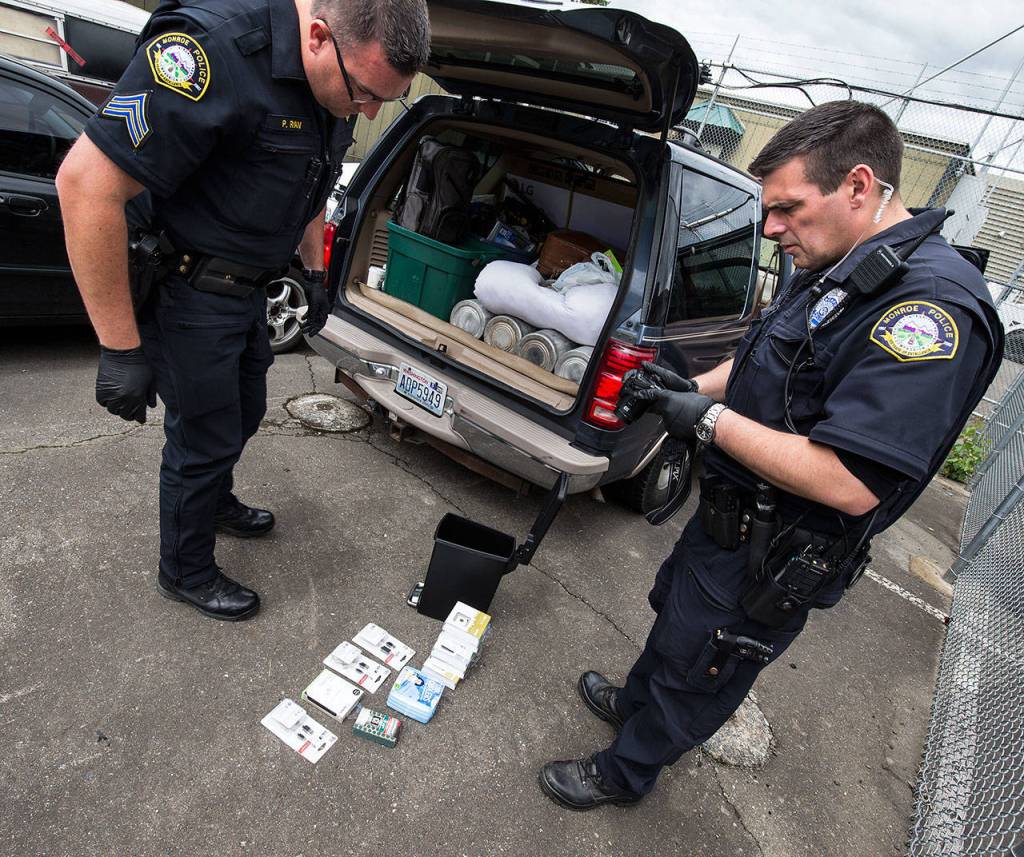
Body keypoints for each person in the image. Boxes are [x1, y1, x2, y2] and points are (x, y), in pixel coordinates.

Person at [539, 100, 1004, 809]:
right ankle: (631, 702)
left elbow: (849, 481)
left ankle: (625, 771)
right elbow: (768, 359)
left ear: (857, 186)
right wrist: (684, 389)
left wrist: (709, 420)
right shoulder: (842, 260)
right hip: (728, 516)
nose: (774, 228)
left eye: (788, 208)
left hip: (774, 549)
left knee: (702, 667)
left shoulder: (928, 310)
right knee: (675, 624)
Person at [56, 0, 430, 621]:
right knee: (201, 438)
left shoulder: (332, 85)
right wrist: (119, 347)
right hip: (188, 291)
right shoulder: (210, 54)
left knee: (246, 410)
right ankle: (186, 569)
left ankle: (213, 500)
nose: (368, 112)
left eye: (382, 102)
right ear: (316, 37)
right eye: (365, 92)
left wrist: (313, 271)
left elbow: (313, 181)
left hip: (249, 292)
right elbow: (85, 185)